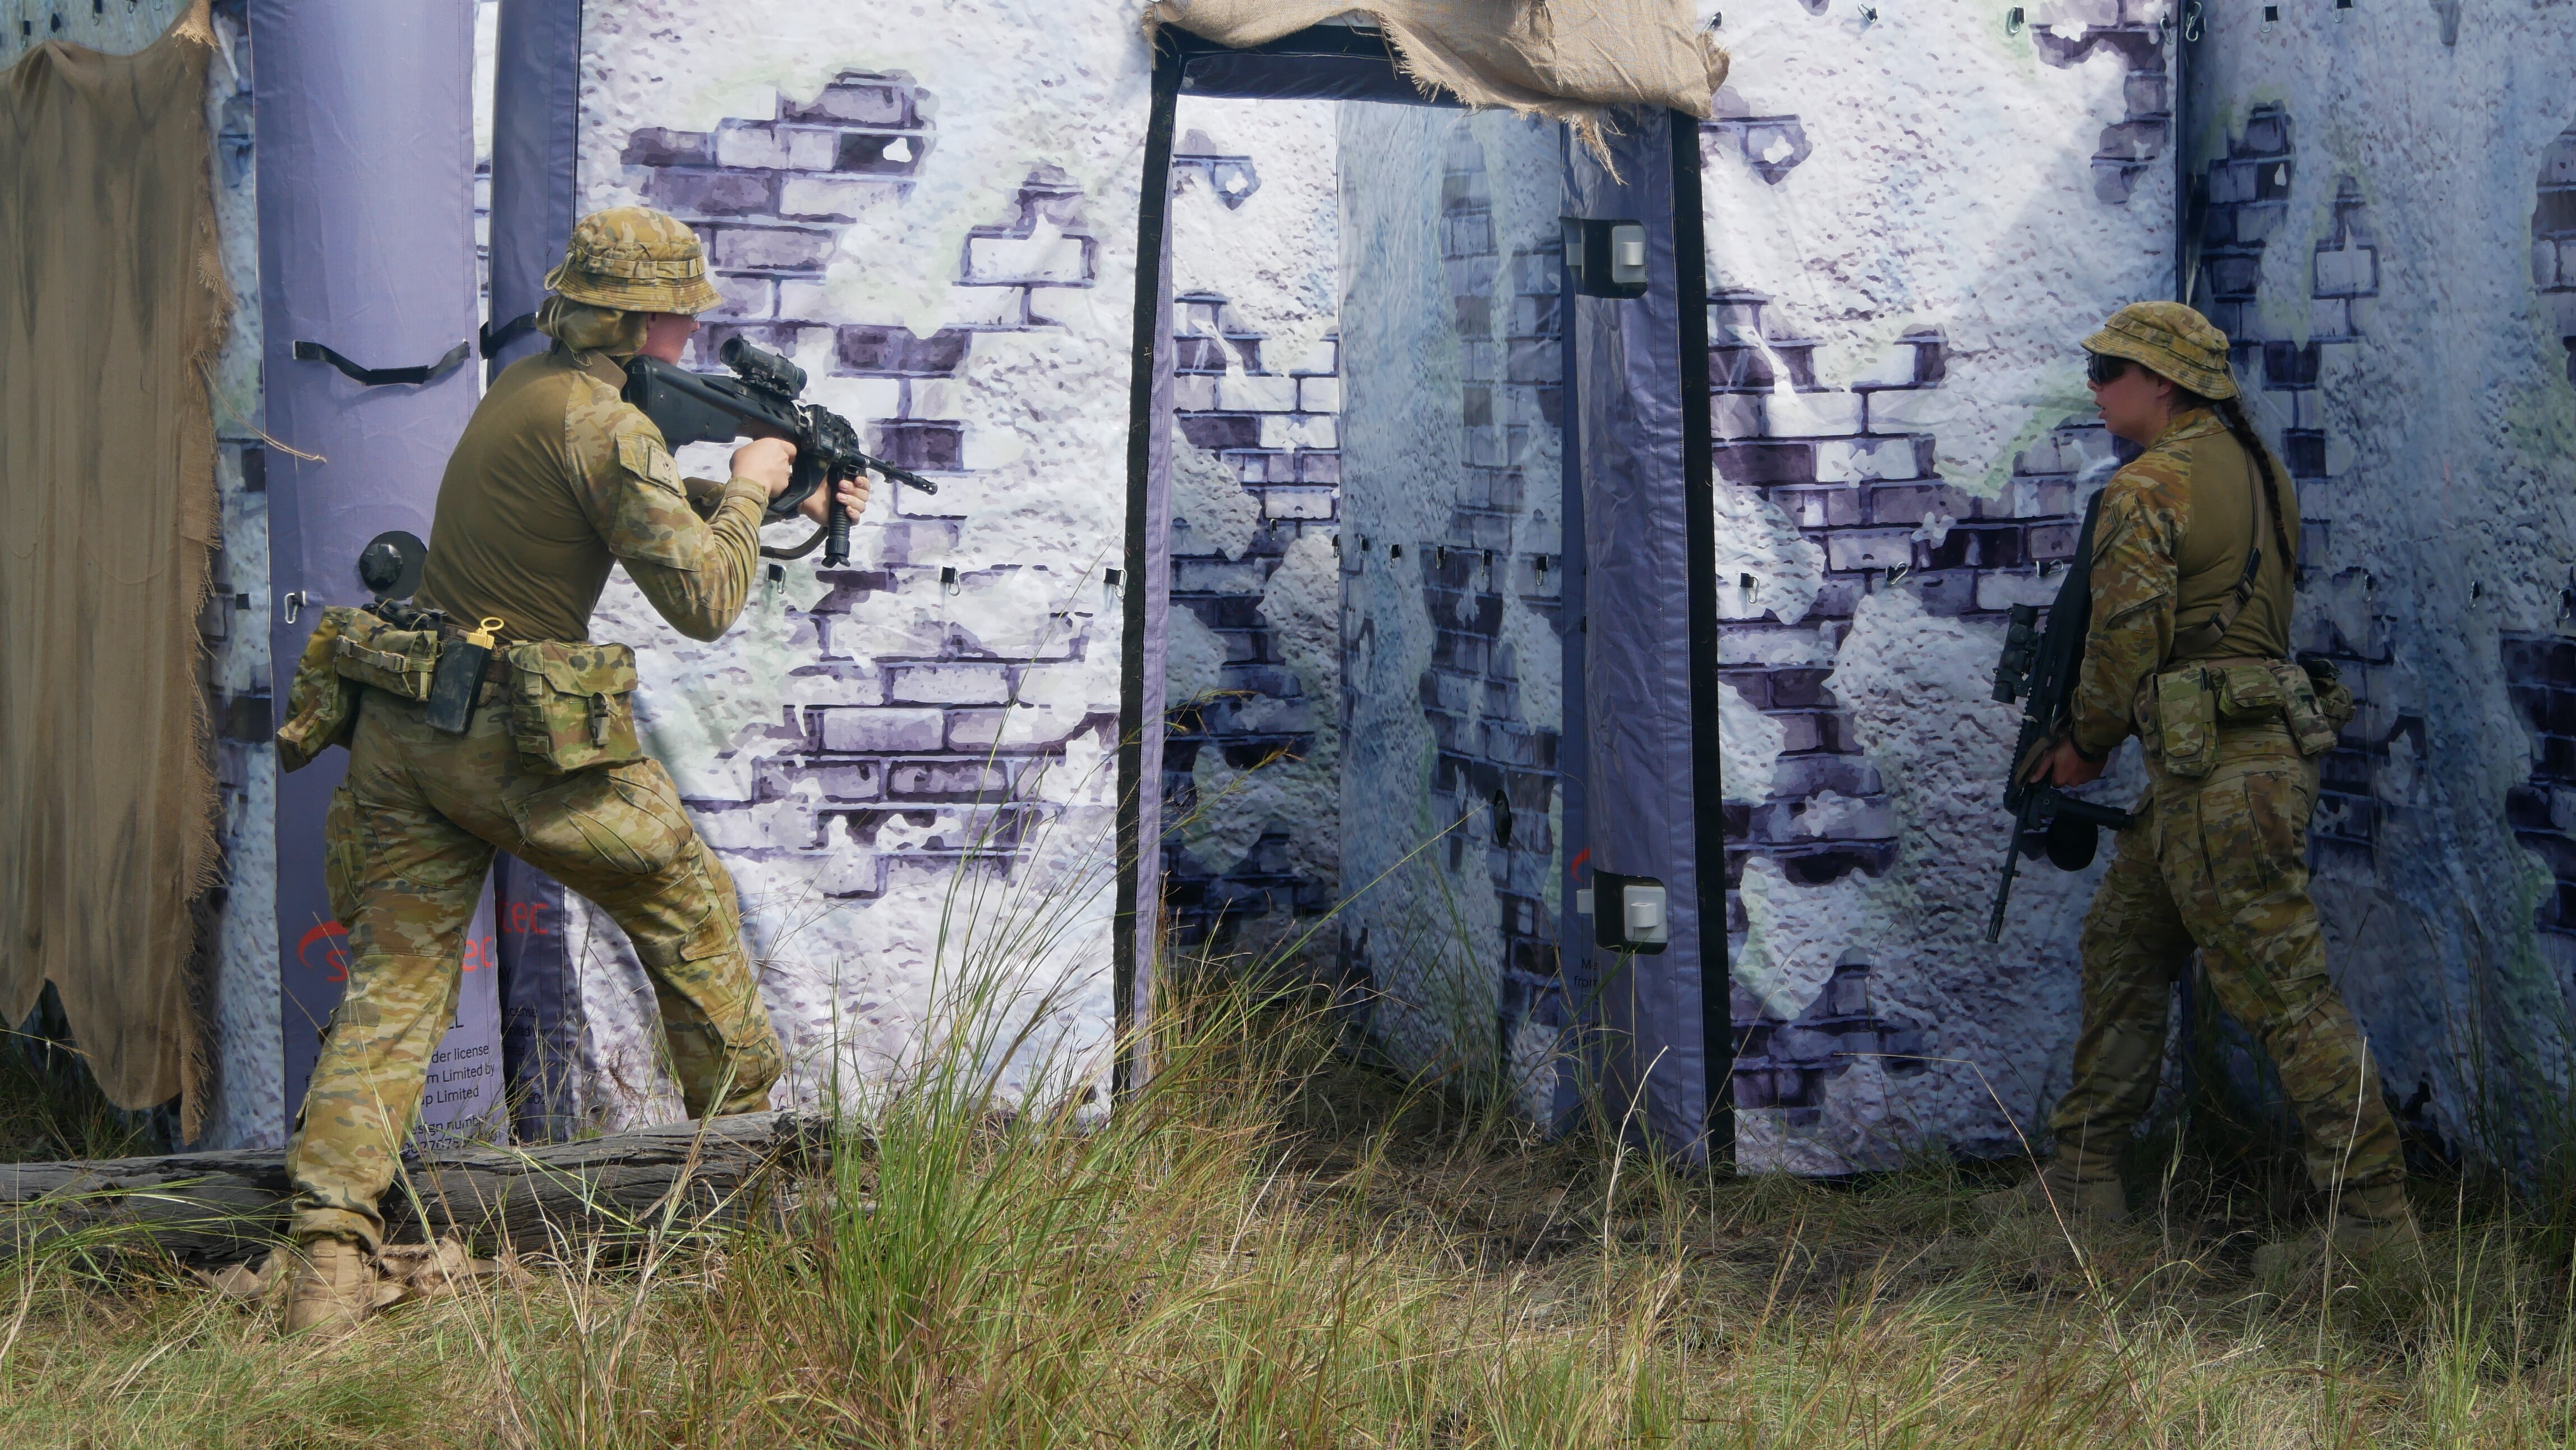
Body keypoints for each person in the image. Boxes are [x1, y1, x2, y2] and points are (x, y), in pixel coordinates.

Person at [280, 207, 871, 1333]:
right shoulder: (612, 427)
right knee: (691, 906)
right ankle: (752, 1188)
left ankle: (327, 1257)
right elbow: (703, 599)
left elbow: (601, 508)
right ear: (634, 324)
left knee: (397, 983)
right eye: (677, 319)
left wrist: (767, 497)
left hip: (412, 721)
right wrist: (751, 485)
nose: (690, 339)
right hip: (518, 741)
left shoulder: (527, 388)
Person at [1980, 301, 2416, 1272]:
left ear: (2163, 382)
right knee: (2125, 948)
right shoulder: (2261, 474)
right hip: (2226, 768)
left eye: (2109, 370)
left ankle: (2377, 1228)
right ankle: (2084, 1182)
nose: (2095, 386)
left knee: (2284, 992)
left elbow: (2127, 641)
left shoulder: (2148, 487)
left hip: (2218, 781)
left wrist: (2084, 743)